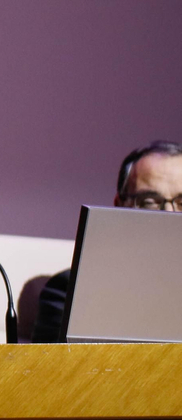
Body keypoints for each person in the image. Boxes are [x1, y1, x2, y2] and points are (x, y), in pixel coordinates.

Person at [31, 140, 182, 343]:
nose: (169, 214)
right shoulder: (71, 294)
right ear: (120, 207)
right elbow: (55, 371)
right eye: (149, 202)